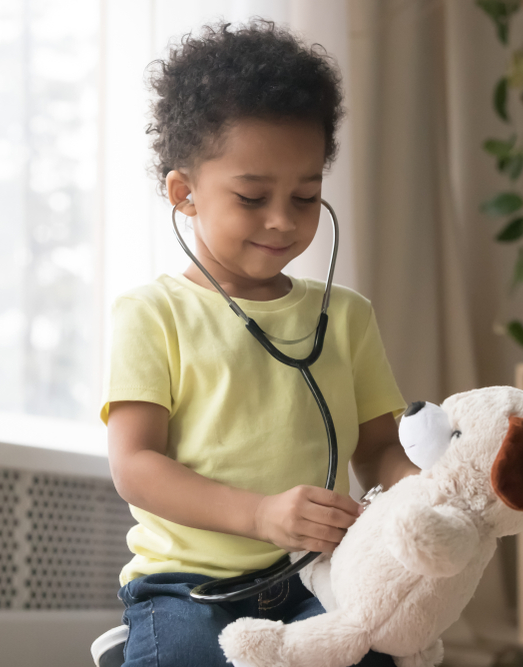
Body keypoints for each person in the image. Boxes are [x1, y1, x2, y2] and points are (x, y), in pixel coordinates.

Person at [103, 19, 420, 667]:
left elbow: (382, 445)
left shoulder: (347, 316)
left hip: (318, 576)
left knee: (378, 653)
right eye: (252, 196)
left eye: (306, 195)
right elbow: (135, 463)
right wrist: (259, 514)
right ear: (183, 192)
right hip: (188, 586)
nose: (283, 219)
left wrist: (418, 495)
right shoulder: (152, 313)